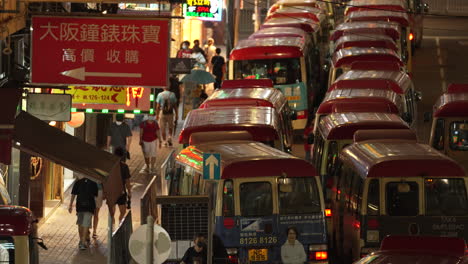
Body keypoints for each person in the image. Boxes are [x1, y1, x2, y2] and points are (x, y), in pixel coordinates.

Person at [68, 176, 98, 250]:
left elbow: (73, 194)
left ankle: (82, 240)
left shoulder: (78, 182)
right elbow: (95, 196)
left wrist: (70, 205)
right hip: (89, 206)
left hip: (80, 205)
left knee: (80, 223)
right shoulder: (93, 183)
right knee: (86, 224)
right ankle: (82, 242)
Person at [113, 147, 132, 222]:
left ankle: (113, 227)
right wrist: (129, 191)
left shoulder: (110, 165)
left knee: (112, 212)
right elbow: (127, 181)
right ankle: (120, 223)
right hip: (121, 191)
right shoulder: (124, 167)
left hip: (112, 191)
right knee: (123, 211)